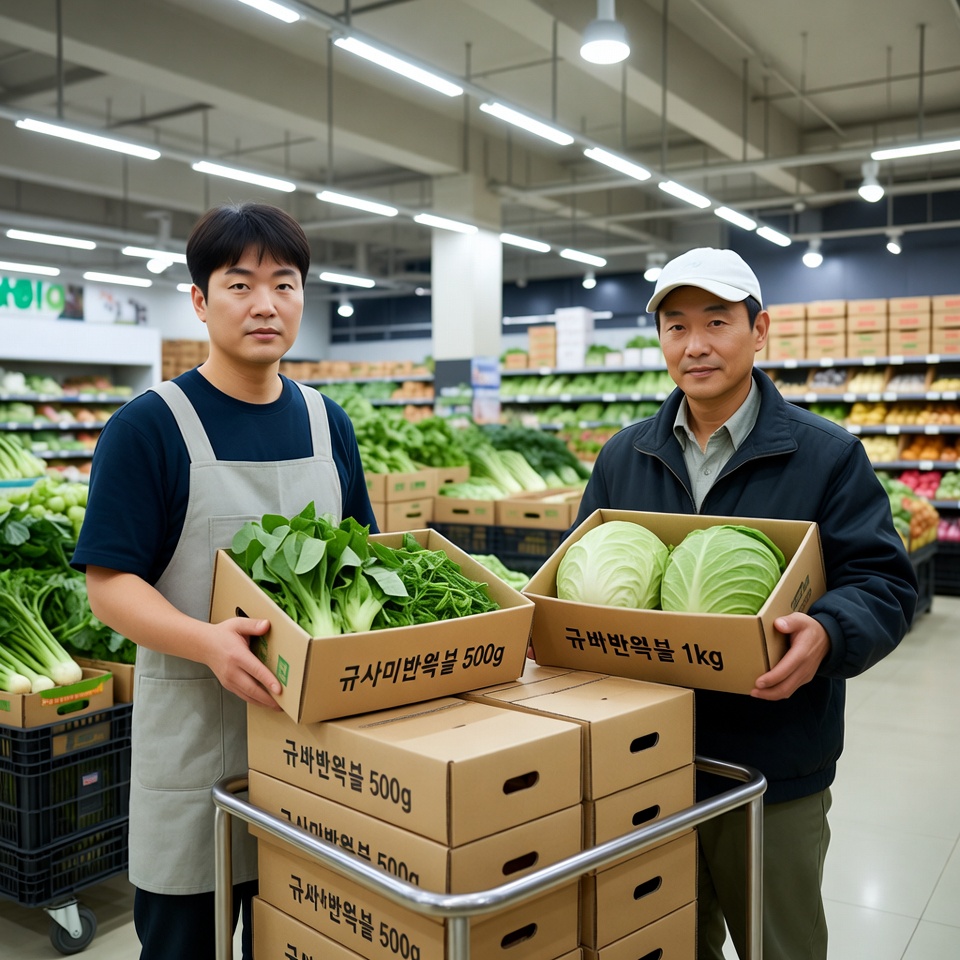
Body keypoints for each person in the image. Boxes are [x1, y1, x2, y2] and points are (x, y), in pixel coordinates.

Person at [569, 247, 918, 960]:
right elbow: (578, 586)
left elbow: (884, 582)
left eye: (716, 322)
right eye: (675, 326)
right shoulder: (622, 457)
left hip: (774, 763)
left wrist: (827, 631)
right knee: (665, 943)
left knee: (779, 944)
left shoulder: (827, 455)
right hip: (646, 763)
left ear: (759, 332)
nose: (694, 345)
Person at [72, 202, 377, 960]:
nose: (266, 303)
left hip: (317, 747)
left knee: (303, 937)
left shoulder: (326, 421)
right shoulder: (147, 427)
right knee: (184, 944)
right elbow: (109, 584)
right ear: (202, 302)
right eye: (240, 285)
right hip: (196, 744)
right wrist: (205, 641)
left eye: (285, 283)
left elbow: (367, 556)